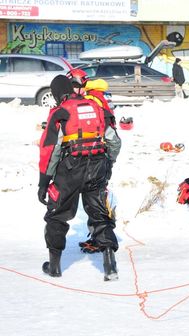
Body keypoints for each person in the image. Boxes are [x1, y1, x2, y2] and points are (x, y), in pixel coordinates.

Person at [38, 75, 122, 281]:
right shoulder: (96, 107)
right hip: (97, 166)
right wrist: (108, 164)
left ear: (57, 94)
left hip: (70, 169)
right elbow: (114, 141)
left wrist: (44, 181)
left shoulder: (60, 112)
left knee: (57, 215)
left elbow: (50, 149)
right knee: (100, 213)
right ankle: (110, 266)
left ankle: (54, 266)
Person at [66, 68, 119, 254]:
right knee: (94, 201)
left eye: (73, 86)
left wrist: (109, 161)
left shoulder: (91, 102)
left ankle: (104, 241)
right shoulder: (94, 98)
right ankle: (99, 238)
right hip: (97, 158)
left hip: (96, 158)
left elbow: (112, 138)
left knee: (96, 202)